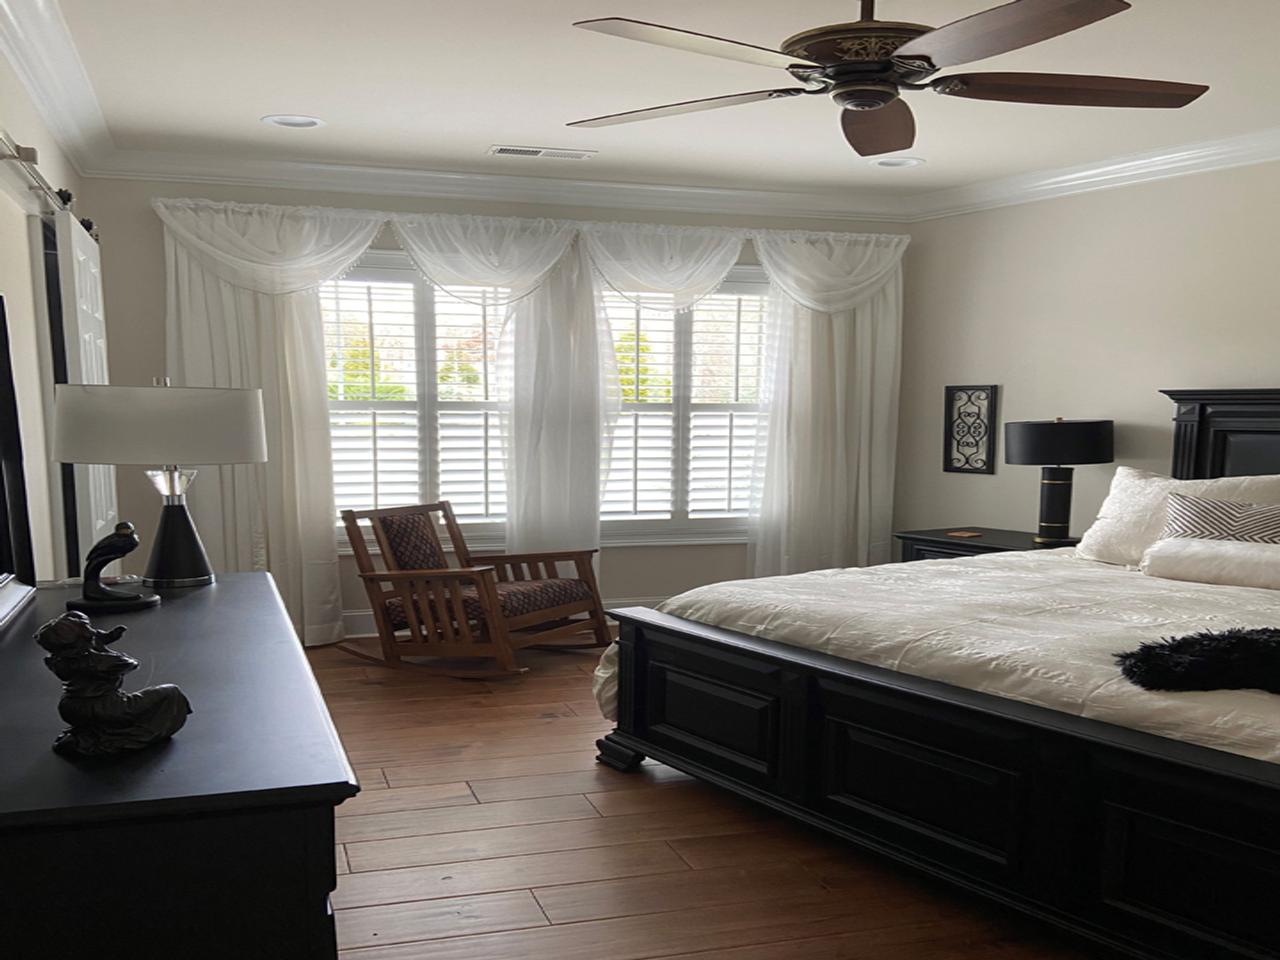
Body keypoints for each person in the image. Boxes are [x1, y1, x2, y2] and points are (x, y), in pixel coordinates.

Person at [35, 611, 191, 757]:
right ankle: (132, 736)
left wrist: (95, 643)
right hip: (106, 707)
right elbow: (130, 663)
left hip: (70, 707)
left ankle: (93, 737)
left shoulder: (57, 661)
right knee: (171, 692)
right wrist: (101, 646)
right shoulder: (99, 662)